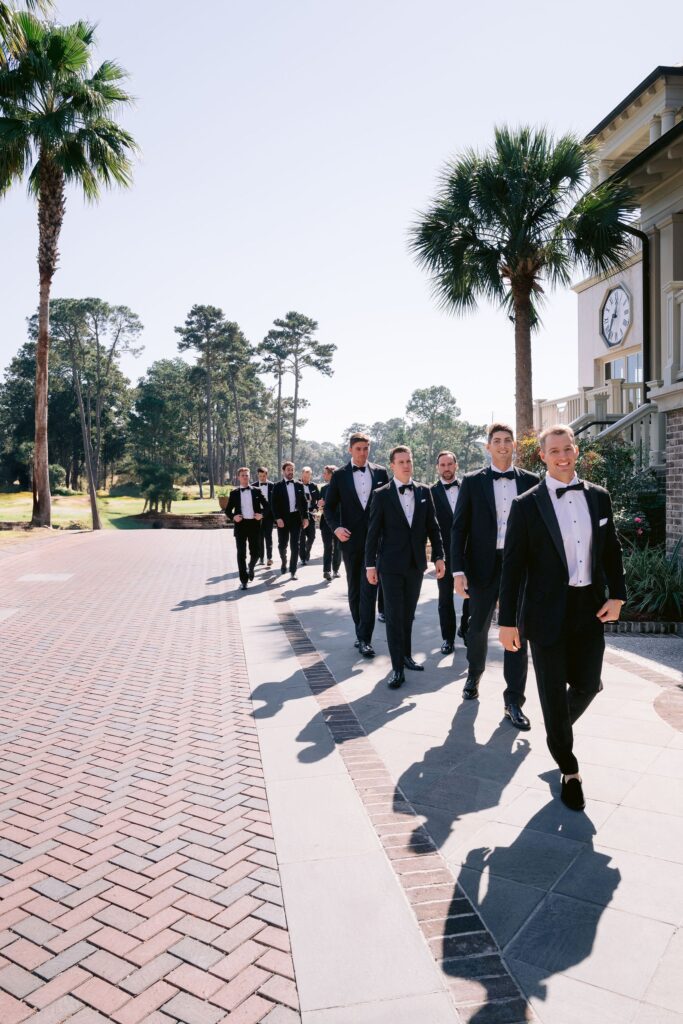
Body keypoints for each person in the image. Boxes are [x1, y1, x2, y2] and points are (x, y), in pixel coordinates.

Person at [498, 425, 626, 811]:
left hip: (589, 608)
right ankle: (569, 770)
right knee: (553, 695)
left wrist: (617, 595)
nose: (562, 456)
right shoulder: (526, 505)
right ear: (543, 456)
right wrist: (507, 622)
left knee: (589, 685)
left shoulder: (599, 498)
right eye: (554, 451)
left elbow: (612, 551)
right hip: (545, 613)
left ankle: (556, 734)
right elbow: (513, 569)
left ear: (576, 450)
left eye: (567, 448)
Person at [451, 423, 539, 730]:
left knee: (517, 631)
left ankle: (513, 700)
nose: (503, 445)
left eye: (507, 440)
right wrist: (458, 571)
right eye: (497, 441)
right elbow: (459, 527)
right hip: (481, 565)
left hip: (519, 565)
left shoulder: (532, 480)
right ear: (488, 447)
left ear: (514, 445)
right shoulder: (473, 481)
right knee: (477, 629)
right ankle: (474, 675)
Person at [366, 445, 445, 689]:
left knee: (408, 614)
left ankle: (406, 656)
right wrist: (370, 565)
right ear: (392, 465)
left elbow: (433, 527)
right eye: (400, 462)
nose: (406, 465)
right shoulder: (381, 494)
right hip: (389, 566)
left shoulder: (424, 491)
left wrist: (439, 557)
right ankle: (397, 668)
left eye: (408, 460)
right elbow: (373, 533)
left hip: (415, 564)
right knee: (394, 616)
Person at [323, 432, 389, 657]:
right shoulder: (340, 476)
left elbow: (390, 505)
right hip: (350, 541)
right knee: (354, 589)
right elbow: (329, 507)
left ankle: (365, 639)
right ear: (350, 450)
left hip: (375, 542)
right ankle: (360, 630)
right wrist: (336, 528)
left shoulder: (380, 472)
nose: (362, 453)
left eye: (366, 448)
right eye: (358, 449)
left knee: (370, 587)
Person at [431, 450, 469, 654]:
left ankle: (465, 628)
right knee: (445, 598)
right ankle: (448, 639)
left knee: (470, 596)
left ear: (456, 465)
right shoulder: (430, 492)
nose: (446, 468)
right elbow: (430, 526)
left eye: (449, 464)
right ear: (438, 467)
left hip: (469, 553)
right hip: (444, 554)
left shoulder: (469, 487)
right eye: (442, 465)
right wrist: (437, 556)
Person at [225, 467, 267, 590]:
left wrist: (262, 515)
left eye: (247, 475)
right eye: (242, 475)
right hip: (241, 526)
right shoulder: (234, 493)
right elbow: (227, 510)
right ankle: (244, 580)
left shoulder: (257, 491)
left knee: (256, 553)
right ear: (238, 477)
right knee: (241, 554)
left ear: (250, 476)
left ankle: (251, 566)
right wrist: (233, 517)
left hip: (254, 525)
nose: (245, 477)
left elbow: (267, 506)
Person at [271, 461, 309, 580]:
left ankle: (293, 570)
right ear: (283, 471)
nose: (290, 472)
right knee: (282, 545)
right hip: (282, 519)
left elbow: (304, 502)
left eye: (292, 469)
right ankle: (283, 562)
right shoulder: (277, 486)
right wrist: (277, 518)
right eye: (288, 469)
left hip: (296, 518)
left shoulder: (299, 485)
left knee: (295, 545)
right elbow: (273, 504)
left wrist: (306, 517)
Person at [319, 465, 342, 581]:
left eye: (326, 473)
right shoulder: (323, 489)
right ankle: (326, 570)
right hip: (326, 522)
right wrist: (319, 504)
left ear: (331, 474)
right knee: (327, 546)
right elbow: (319, 505)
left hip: (339, 522)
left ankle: (336, 569)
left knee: (338, 547)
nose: (324, 475)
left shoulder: (343, 488)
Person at [299, 466, 321, 565]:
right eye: (305, 476)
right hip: (300, 515)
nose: (306, 479)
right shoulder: (297, 485)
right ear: (301, 475)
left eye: (308, 477)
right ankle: (303, 557)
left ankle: (307, 552)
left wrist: (317, 509)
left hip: (311, 514)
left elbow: (319, 500)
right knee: (302, 538)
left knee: (312, 537)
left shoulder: (314, 486)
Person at [254, 466, 274, 566]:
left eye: (264, 475)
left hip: (269, 515)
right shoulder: (253, 486)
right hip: (257, 515)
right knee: (259, 537)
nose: (262, 478)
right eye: (260, 476)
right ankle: (261, 558)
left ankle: (269, 557)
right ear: (258, 475)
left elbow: (274, 502)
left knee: (268, 536)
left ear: (267, 475)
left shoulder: (272, 485)